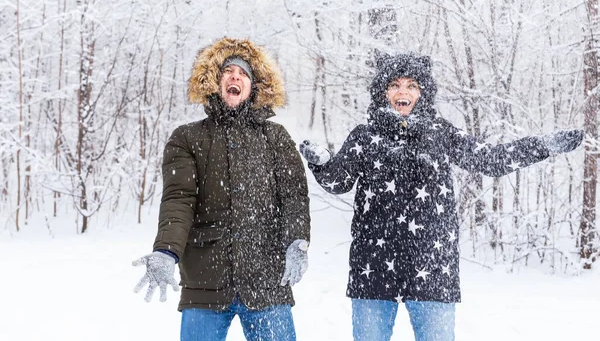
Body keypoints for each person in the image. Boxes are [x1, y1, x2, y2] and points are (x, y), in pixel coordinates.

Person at [299, 51, 584, 341]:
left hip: (432, 265)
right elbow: (339, 181)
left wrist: (542, 146)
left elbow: (490, 160)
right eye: (395, 85)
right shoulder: (364, 136)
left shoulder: (440, 133)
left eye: (412, 85)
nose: (403, 92)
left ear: (423, 93)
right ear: (383, 91)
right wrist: (322, 162)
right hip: (374, 265)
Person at [133, 37, 311, 341]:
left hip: (266, 278)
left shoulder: (275, 137)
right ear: (214, 82)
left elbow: (294, 197)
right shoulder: (187, 138)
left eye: (243, 74)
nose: (235, 77)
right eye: (228, 71)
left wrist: (297, 240)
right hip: (205, 280)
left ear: (254, 86)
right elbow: (179, 200)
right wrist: (166, 250)